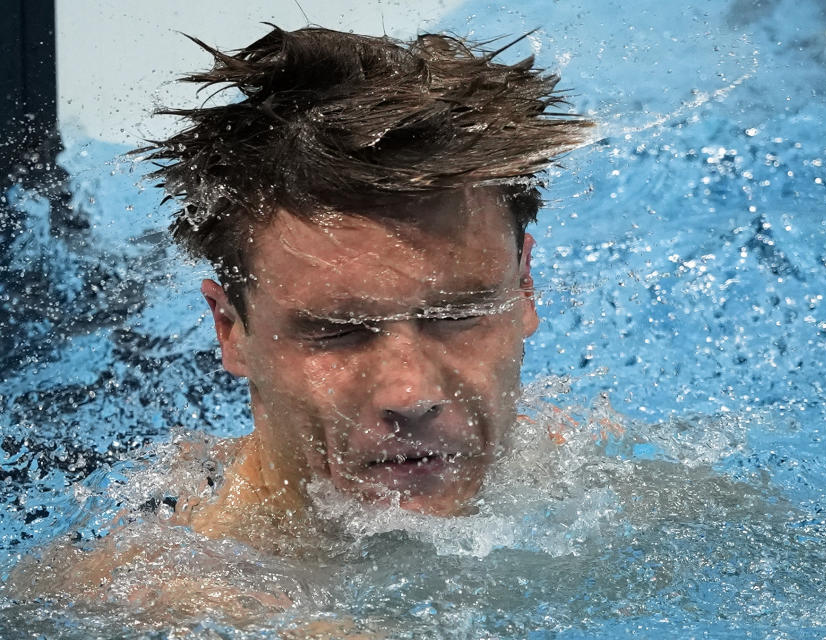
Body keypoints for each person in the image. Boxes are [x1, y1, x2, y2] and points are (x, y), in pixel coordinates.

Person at [138, 25, 592, 544]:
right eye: (338, 332)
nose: (412, 395)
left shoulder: (578, 477)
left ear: (524, 290)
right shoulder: (181, 605)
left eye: (456, 316)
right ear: (231, 330)